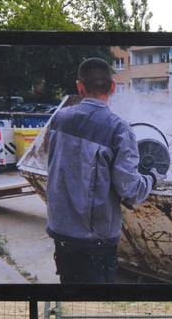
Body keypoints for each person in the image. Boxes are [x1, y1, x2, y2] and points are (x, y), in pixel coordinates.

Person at [44, 57, 160, 284]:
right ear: (113, 87)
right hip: (95, 241)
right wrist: (152, 178)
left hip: (61, 231)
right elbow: (130, 190)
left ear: (79, 86)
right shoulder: (119, 129)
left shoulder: (59, 119)